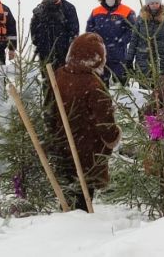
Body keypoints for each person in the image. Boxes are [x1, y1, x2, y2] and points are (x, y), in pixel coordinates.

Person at [44, 33, 121, 211]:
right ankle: (80, 224)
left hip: (61, 144)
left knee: (68, 186)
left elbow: (48, 109)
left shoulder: (59, 75)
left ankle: (68, 214)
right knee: (84, 192)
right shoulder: (93, 85)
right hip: (88, 149)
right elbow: (106, 124)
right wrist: (114, 136)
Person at [86, 0, 136, 85]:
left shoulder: (127, 11)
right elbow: (89, 29)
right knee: (101, 83)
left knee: (121, 81)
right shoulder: (96, 11)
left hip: (119, 54)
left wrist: (122, 41)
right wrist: (95, 42)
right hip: (101, 53)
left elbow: (132, 30)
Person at [30, 0, 79, 71]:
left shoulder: (69, 8)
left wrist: (70, 45)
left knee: (63, 78)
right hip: (45, 50)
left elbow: (74, 29)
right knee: (46, 78)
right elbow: (33, 28)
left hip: (63, 50)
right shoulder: (40, 9)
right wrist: (37, 42)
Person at [125, 0, 164, 76]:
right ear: (148, 4)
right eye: (152, 3)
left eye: (157, 3)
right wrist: (129, 59)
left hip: (160, 60)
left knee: (160, 87)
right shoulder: (140, 19)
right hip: (142, 60)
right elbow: (134, 40)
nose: (154, 5)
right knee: (143, 88)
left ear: (160, 3)